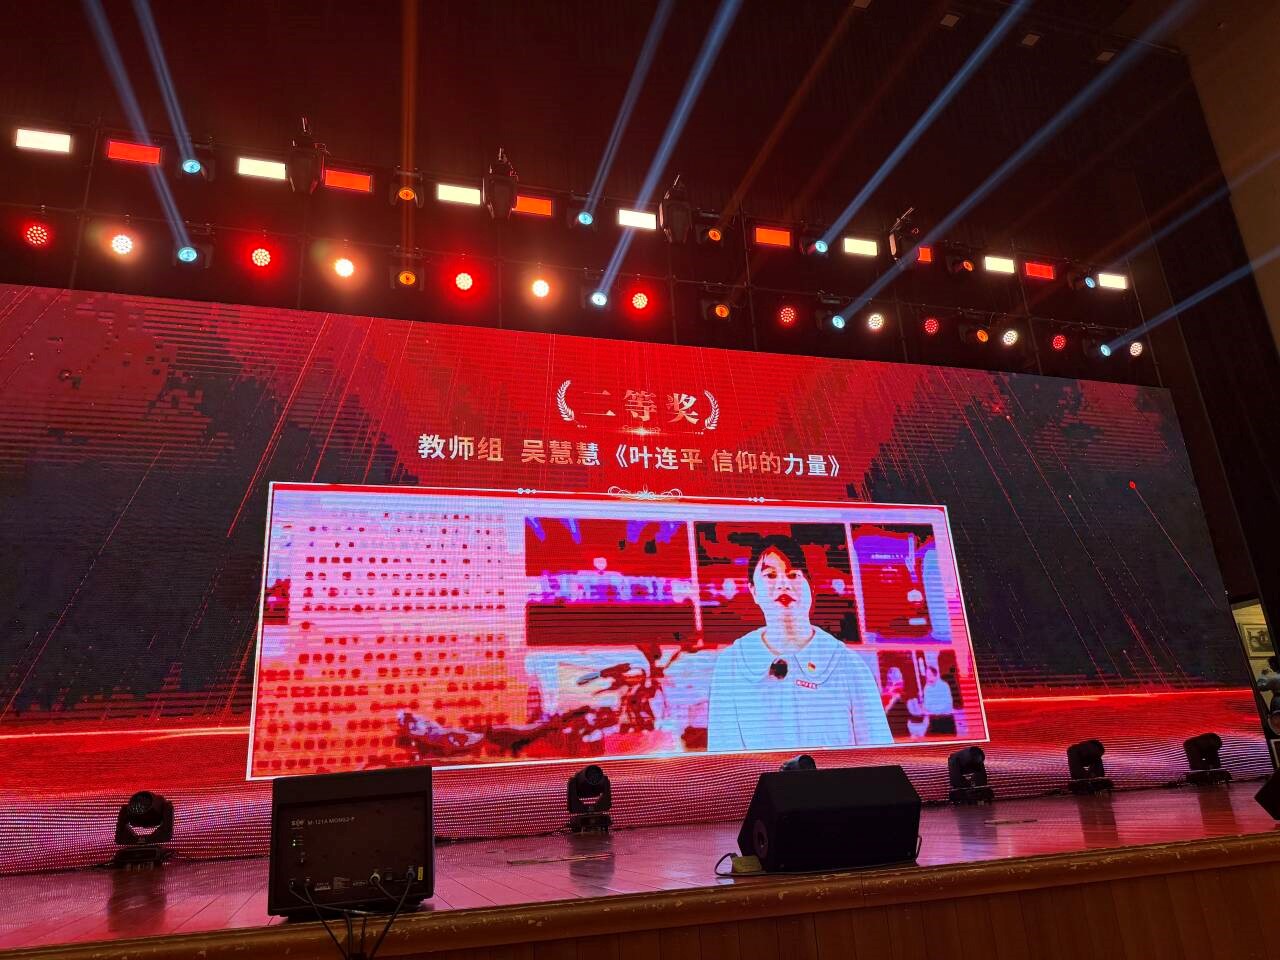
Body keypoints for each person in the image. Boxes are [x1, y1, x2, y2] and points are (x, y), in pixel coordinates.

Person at [707, 535, 892, 752]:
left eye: (793, 574)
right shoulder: (731, 665)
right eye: (770, 575)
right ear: (753, 591)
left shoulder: (850, 665)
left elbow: (880, 755)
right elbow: (724, 760)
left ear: (811, 587)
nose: (783, 584)